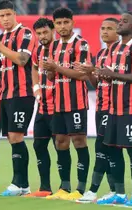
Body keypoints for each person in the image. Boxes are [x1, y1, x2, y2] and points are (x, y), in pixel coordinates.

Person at [95, 11, 132, 206]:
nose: (120, 23)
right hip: (112, 109)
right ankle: (119, 193)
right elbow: (111, 75)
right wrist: (103, 75)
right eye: (120, 20)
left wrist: (113, 75)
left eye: (124, 21)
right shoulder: (113, 48)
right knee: (112, 150)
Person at [0, 0, 36, 196]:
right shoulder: (1, 37)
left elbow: (22, 60)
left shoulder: (25, 33)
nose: (5, 19)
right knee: (11, 137)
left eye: (8, 15)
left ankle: (19, 182)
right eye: (1, 15)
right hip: (6, 94)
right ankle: (23, 185)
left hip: (22, 93)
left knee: (17, 136)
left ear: (15, 14)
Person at [43, 7, 91, 201]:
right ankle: (64, 187)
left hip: (76, 102)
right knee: (60, 142)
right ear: (54, 25)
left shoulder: (81, 44)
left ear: (73, 23)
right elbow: (51, 75)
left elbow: (82, 74)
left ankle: (80, 189)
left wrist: (55, 67)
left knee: (79, 141)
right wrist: (49, 70)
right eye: (59, 23)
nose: (62, 26)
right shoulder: (53, 47)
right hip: (59, 104)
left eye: (66, 22)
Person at [75, 17, 119, 204]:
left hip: (114, 108)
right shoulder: (101, 53)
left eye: (109, 28)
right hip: (101, 106)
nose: (105, 32)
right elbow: (98, 84)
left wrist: (95, 71)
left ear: (118, 32)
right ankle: (113, 190)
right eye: (102, 28)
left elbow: (116, 79)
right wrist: (89, 74)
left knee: (102, 147)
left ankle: (93, 191)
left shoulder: (121, 53)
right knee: (105, 148)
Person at [25, 17, 56, 198]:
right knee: (39, 145)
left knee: (62, 146)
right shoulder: (38, 50)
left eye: (45, 32)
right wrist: (36, 88)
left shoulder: (60, 48)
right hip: (43, 106)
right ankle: (45, 187)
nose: (43, 36)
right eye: (39, 33)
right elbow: (34, 69)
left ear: (53, 31)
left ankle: (66, 187)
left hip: (60, 107)